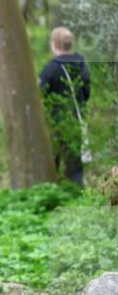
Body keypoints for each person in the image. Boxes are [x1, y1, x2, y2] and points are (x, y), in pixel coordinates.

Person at [39, 26, 91, 187]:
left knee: (52, 162)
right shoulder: (82, 65)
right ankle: (76, 195)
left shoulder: (50, 70)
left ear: (54, 44)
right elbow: (86, 92)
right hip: (77, 119)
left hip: (55, 122)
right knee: (75, 165)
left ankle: (52, 194)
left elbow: (41, 96)